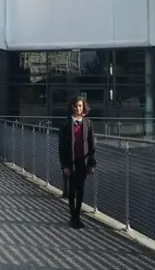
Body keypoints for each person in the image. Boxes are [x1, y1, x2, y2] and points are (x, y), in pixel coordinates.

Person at [57, 96, 96, 228]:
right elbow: (61, 147)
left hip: (83, 162)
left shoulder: (88, 123)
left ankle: (77, 217)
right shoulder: (65, 124)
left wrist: (91, 164)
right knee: (72, 191)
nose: (78, 108)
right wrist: (64, 165)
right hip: (71, 162)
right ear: (72, 107)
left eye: (80, 106)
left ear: (83, 107)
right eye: (76, 105)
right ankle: (73, 217)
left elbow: (92, 145)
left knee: (81, 190)